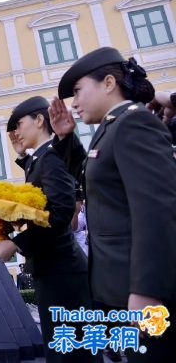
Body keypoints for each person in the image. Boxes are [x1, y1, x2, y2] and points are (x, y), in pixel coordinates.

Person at [49, 47, 176, 362]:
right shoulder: (112, 128)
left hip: (143, 291)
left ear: (108, 83)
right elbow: (97, 179)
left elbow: (156, 210)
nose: (73, 103)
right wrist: (66, 139)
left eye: (78, 91)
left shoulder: (134, 124)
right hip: (122, 290)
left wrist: (147, 289)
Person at [0, 96, 96, 362]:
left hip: (63, 273)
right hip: (53, 269)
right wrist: (22, 156)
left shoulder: (52, 157)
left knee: (72, 353)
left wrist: (15, 244)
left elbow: (58, 215)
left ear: (38, 120)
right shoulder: (41, 159)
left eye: (19, 124)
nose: (15, 133)